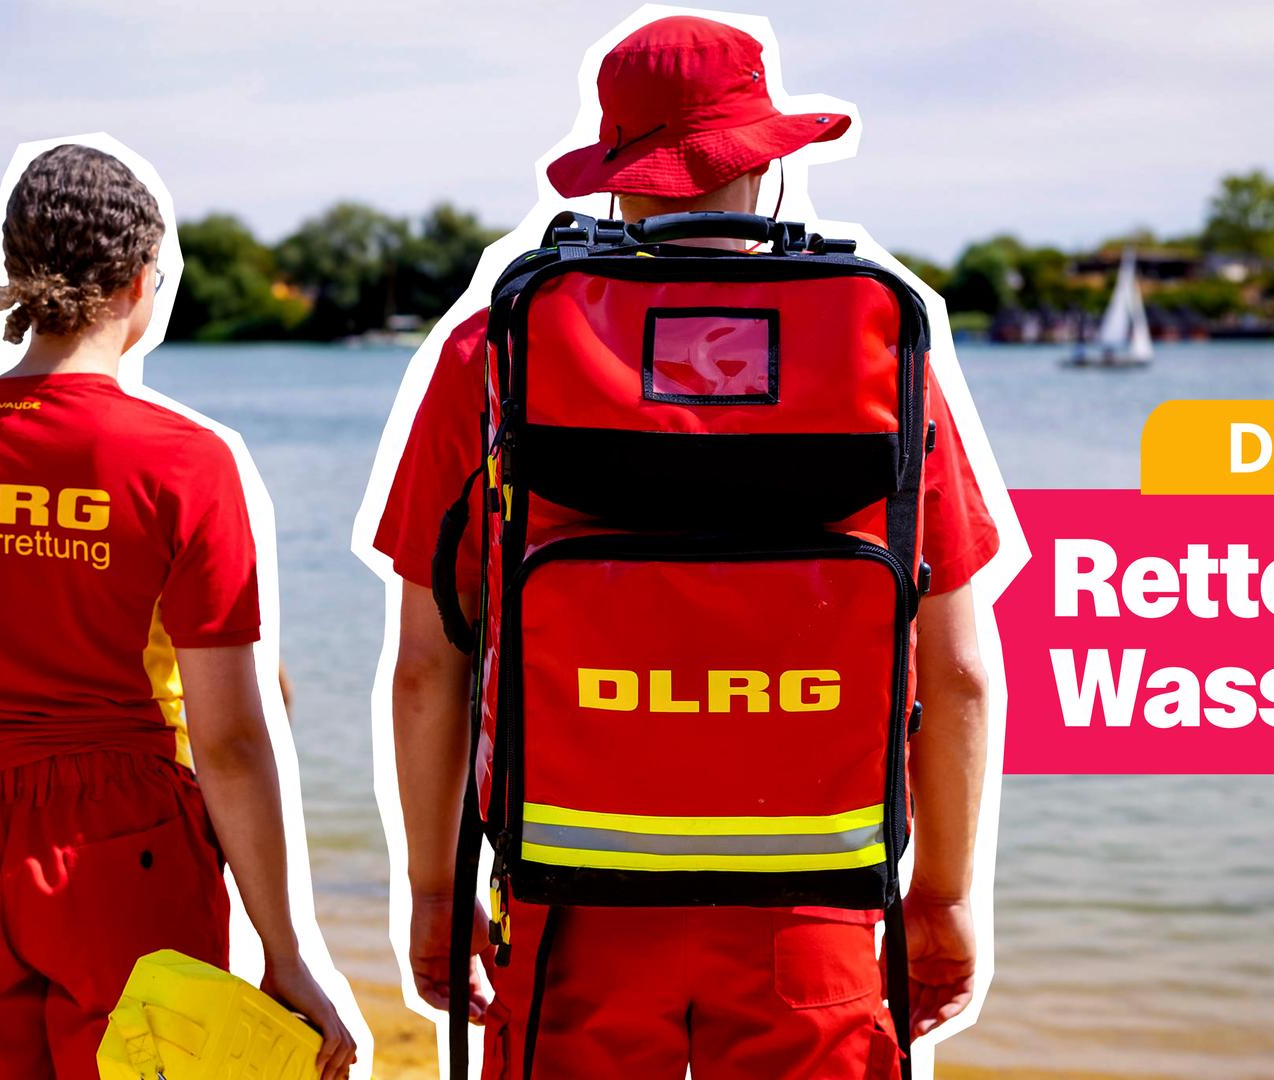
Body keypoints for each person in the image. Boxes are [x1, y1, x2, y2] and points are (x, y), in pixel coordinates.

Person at [373, 16, 998, 1078]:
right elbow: (964, 675)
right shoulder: (870, 349)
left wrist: (434, 894)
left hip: (569, 898)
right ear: (767, 164)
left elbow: (435, 664)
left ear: (621, 173)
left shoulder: (502, 345)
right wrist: (939, 898)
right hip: (815, 903)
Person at [0, 143, 353, 1079]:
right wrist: (285, 953)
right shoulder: (183, 462)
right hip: (124, 844)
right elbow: (231, 736)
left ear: (18, 278)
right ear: (141, 285)